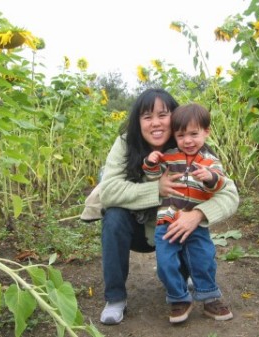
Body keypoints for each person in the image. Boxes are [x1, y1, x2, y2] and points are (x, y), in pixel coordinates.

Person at [92, 88, 239, 325]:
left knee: (192, 245)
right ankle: (115, 298)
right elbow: (108, 191)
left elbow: (230, 193)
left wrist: (198, 214)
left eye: (163, 115)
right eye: (147, 117)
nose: (156, 123)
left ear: (175, 115)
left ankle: (188, 277)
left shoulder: (189, 142)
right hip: (138, 229)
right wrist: (156, 189)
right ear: (138, 121)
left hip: (179, 228)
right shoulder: (126, 144)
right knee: (113, 217)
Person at [142, 103, 234, 323]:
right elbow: (153, 176)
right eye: (181, 135)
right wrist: (151, 163)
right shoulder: (170, 156)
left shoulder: (210, 162)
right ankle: (179, 298)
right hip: (167, 221)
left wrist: (210, 178)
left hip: (196, 223)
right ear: (174, 136)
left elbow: (219, 183)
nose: (188, 141)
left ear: (206, 132)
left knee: (203, 260)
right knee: (165, 262)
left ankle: (210, 298)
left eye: (194, 134)